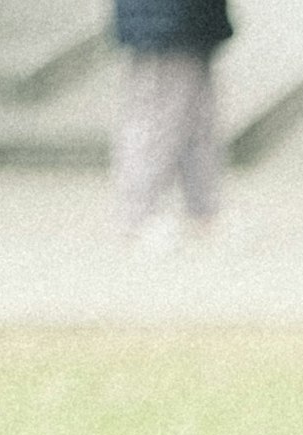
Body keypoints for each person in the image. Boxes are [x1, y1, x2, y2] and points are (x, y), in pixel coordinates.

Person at [106, 0, 226, 249]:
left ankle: (202, 213)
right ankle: (137, 217)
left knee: (194, 115)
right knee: (158, 116)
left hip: (186, 19)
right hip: (165, 19)